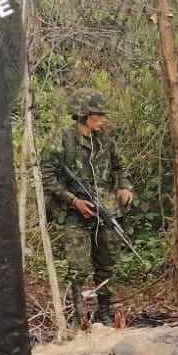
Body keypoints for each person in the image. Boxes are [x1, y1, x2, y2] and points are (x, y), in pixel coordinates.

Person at [42, 90, 134, 325]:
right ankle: (78, 314)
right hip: (74, 211)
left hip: (105, 209)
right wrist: (73, 200)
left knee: (107, 262)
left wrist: (124, 187)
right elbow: (47, 176)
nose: (103, 120)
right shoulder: (61, 140)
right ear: (84, 115)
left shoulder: (105, 141)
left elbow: (119, 168)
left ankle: (104, 311)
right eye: (98, 115)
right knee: (78, 267)